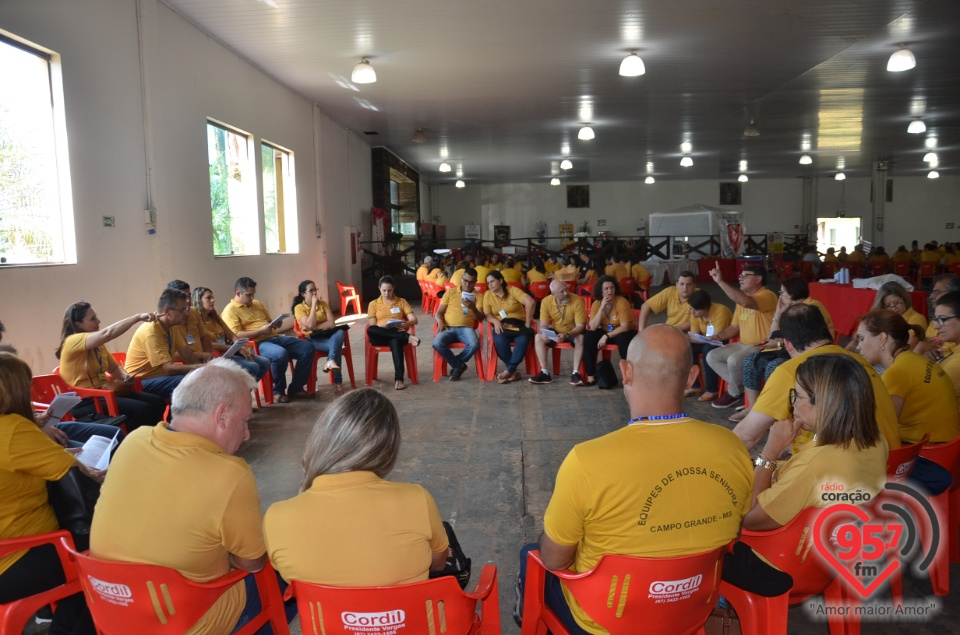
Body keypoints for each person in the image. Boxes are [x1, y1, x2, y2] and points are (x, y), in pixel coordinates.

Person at [520, 326, 753, 635]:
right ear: (693, 376)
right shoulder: (732, 447)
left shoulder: (587, 460)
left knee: (531, 553)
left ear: (625, 371)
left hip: (604, 619)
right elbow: (735, 532)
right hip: (690, 610)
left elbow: (554, 559)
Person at [90, 359, 272, 635]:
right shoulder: (229, 475)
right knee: (280, 573)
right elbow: (252, 562)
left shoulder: (134, 441)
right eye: (245, 421)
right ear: (222, 415)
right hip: (186, 622)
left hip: (114, 610)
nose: (246, 435)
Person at [264, 388, 449, 585]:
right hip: (408, 616)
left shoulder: (277, 516)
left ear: (321, 440)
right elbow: (438, 563)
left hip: (327, 616)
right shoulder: (416, 499)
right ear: (387, 447)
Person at [0, 352, 102, 635]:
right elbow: (79, 474)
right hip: (16, 557)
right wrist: (104, 473)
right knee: (104, 562)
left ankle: (55, 617)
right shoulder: (12, 430)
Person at [740, 354, 887, 530]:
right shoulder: (876, 438)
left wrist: (770, 451)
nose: (792, 403)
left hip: (780, 552)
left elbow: (751, 519)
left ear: (824, 403)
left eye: (797, 396)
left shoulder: (814, 466)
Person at [732, 303, 901, 454]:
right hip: (893, 463)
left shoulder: (793, 370)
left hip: (849, 474)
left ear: (788, 344)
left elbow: (746, 436)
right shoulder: (858, 360)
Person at [730, 278, 834, 423]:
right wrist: (779, 313)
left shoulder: (810, 307)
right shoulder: (789, 307)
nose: (780, 296)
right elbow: (770, 335)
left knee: (774, 367)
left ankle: (774, 414)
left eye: (783, 293)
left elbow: (807, 338)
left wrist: (780, 342)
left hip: (808, 352)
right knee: (751, 361)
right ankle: (753, 409)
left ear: (793, 293)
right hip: (787, 349)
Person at [55, 301, 167, 431]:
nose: (98, 321)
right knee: (142, 410)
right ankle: (128, 442)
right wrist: (137, 317)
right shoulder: (72, 341)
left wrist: (125, 377)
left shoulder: (97, 344)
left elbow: (113, 368)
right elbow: (107, 333)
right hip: (86, 401)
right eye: (92, 319)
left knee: (157, 402)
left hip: (105, 393)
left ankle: (152, 439)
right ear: (78, 324)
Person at [855, 309, 959, 445]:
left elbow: (883, 429)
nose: (858, 347)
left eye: (862, 339)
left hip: (928, 454)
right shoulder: (915, 360)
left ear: (882, 338)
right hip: (946, 448)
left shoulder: (897, 373)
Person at [220, 276, 315, 403]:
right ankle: (278, 391)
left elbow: (269, 321)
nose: (252, 298)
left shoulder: (256, 304)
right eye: (249, 295)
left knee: (307, 347)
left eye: (253, 294)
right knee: (280, 354)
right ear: (238, 293)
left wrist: (276, 324)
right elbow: (237, 336)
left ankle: (296, 388)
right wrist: (260, 331)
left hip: (273, 337)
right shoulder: (230, 311)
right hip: (255, 344)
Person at [706, 264, 778, 409]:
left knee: (734, 360)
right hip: (742, 344)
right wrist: (718, 336)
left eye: (746, 275)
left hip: (763, 345)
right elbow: (734, 327)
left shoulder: (767, 295)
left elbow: (747, 302)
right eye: (740, 275)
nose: (741, 277)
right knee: (712, 356)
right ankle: (746, 390)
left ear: (758, 279)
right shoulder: (741, 300)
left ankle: (733, 393)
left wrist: (720, 281)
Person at [172, 280, 269, 383]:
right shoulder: (190, 318)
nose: (213, 300)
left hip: (226, 352)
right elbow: (200, 344)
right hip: (215, 354)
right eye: (208, 298)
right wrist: (230, 348)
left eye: (212, 297)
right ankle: (237, 393)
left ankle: (243, 390)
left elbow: (231, 335)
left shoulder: (213, 316)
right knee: (252, 367)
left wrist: (241, 347)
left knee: (264, 362)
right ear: (198, 300)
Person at [124, 288, 206, 398]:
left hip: (162, 377)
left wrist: (204, 371)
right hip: (141, 381)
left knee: (200, 379)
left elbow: (187, 354)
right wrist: (201, 368)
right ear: (167, 311)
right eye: (182, 310)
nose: (186, 314)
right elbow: (168, 368)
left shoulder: (173, 326)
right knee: (188, 383)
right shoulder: (151, 331)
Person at [293, 280, 346, 396]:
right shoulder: (299, 308)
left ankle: (330, 361)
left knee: (340, 332)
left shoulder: (323, 304)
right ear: (303, 294)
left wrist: (314, 327)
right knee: (336, 347)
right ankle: (338, 382)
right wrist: (313, 306)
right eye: (311, 291)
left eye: (315, 290)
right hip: (313, 340)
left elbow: (331, 323)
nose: (314, 293)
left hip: (328, 336)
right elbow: (310, 325)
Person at [367, 275, 421, 391]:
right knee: (370, 329)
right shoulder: (373, 304)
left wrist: (405, 324)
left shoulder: (401, 302)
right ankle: (406, 337)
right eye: (384, 290)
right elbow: (372, 324)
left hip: (395, 332)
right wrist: (380, 326)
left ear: (394, 289)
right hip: (380, 334)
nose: (386, 293)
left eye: (389, 290)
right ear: (379, 289)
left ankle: (399, 380)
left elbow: (414, 320)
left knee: (396, 341)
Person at [529, 279, 587, 385]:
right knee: (538, 337)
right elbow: (543, 324)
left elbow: (581, 326)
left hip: (572, 332)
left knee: (581, 338)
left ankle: (575, 373)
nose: (566, 293)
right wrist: (544, 333)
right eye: (562, 291)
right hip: (556, 331)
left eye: (566, 290)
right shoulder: (546, 301)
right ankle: (544, 373)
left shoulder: (577, 300)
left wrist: (567, 334)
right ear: (553, 294)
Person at [581, 276, 636, 386]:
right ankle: (591, 375)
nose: (610, 291)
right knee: (588, 336)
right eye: (606, 289)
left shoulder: (621, 302)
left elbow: (625, 326)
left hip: (622, 332)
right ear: (600, 291)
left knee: (623, 339)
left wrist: (606, 336)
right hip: (606, 331)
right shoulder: (597, 303)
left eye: (612, 288)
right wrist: (602, 307)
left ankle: (629, 375)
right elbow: (593, 327)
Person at [484, 269, 535, 383]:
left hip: (519, 326)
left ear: (501, 280)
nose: (490, 285)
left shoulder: (512, 290)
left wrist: (527, 323)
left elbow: (530, 302)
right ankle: (513, 372)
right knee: (500, 341)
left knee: (523, 340)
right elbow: (487, 314)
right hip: (502, 327)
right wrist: (495, 321)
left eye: (492, 281)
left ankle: (509, 371)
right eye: (488, 283)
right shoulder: (488, 294)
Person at [433, 267, 484, 381]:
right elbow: (439, 313)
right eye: (465, 280)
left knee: (474, 344)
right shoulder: (451, 292)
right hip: (448, 327)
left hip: (466, 329)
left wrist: (473, 308)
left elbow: (481, 318)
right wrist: (440, 322)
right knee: (437, 343)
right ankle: (459, 366)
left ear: (475, 282)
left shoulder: (479, 296)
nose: (467, 284)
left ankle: (457, 364)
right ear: (461, 279)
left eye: (471, 282)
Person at [685, 289, 731, 401]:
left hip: (724, 340)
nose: (692, 312)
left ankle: (712, 389)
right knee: (688, 347)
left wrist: (697, 339)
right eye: (691, 309)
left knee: (708, 349)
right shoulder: (695, 314)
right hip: (706, 340)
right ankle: (695, 386)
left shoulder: (721, 311)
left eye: (695, 310)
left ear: (705, 307)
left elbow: (717, 337)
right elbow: (694, 335)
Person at [915, 274, 960, 359]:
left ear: (953, 295)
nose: (931, 296)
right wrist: (925, 354)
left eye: (937, 292)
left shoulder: (954, 331)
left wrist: (918, 352)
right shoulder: (933, 323)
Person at [935, 291, 960, 403]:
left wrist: (916, 354)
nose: (936, 326)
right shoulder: (953, 347)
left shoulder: (957, 364)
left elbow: (926, 394)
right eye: (936, 319)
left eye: (943, 319)